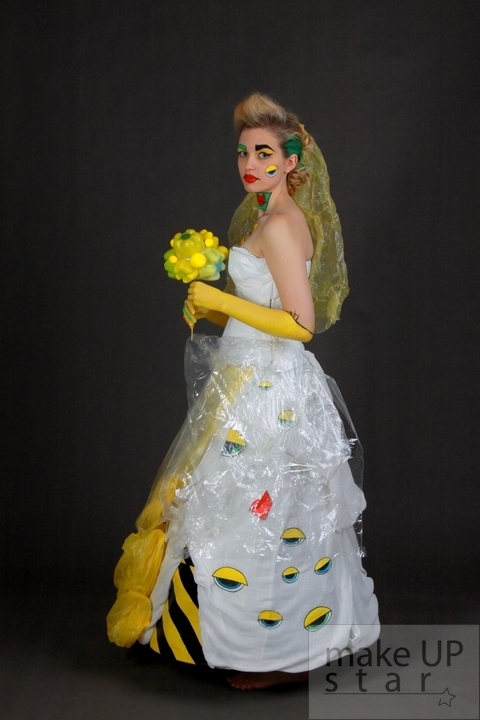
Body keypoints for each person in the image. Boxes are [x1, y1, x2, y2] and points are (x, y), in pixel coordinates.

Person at [107, 92, 379, 690]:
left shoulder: (280, 225)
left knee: (261, 512)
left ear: (291, 161)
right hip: (250, 380)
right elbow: (266, 304)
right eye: (243, 152)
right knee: (245, 509)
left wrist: (221, 301)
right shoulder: (269, 217)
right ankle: (259, 641)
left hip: (269, 392)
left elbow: (300, 324)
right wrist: (211, 310)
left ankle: (273, 654)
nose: (250, 164)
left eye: (263, 153)